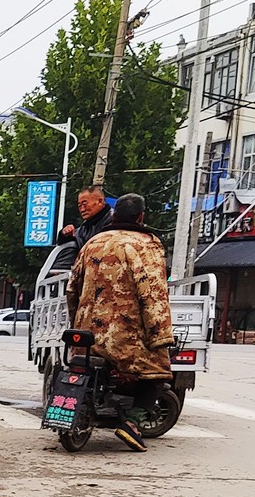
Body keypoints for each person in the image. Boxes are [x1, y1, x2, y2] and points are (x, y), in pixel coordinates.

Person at [64, 193, 174, 451]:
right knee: (158, 371)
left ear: (114, 215)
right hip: (126, 337)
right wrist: (160, 335)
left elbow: (72, 289)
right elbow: (153, 293)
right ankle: (133, 424)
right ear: (141, 216)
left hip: (87, 333)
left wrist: (76, 323)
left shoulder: (92, 242)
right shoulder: (146, 244)